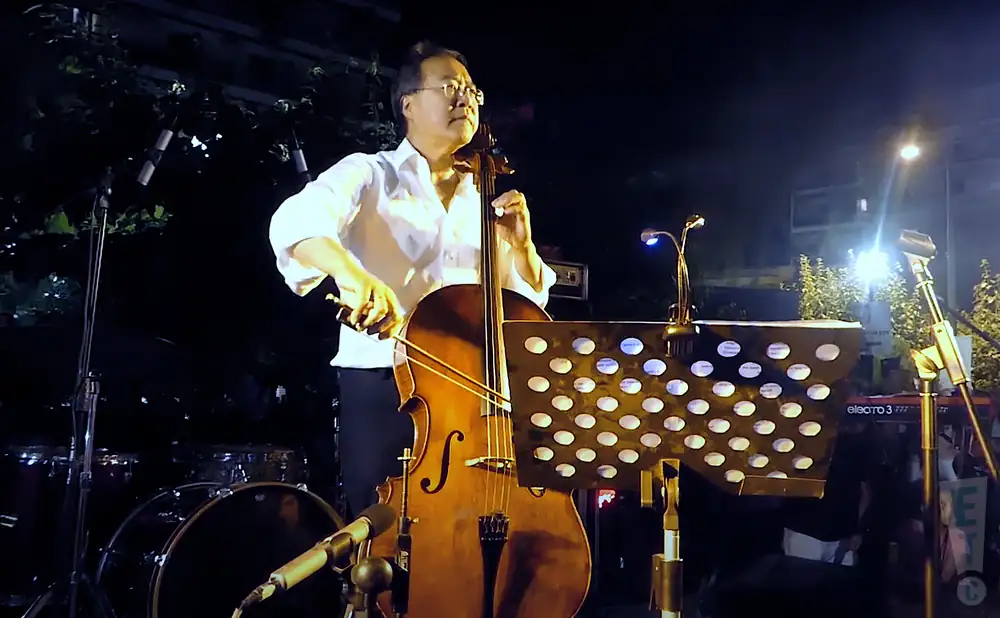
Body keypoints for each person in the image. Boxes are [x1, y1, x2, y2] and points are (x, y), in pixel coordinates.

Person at [268, 41, 556, 517]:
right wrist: (350, 274)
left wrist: (522, 248)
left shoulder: (486, 198)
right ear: (408, 104)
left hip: (473, 389)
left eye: (470, 90)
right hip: (387, 383)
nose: (464, 99)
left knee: (471, 525)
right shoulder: (370, 173)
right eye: (449, 87)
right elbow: (294, 223)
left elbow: (524, 309)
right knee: (383, 528)